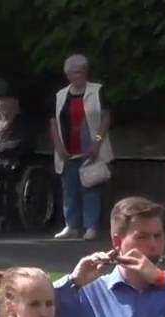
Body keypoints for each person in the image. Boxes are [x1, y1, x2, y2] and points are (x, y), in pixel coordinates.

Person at [49, 54, 114, 242]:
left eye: (80, 72)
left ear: (86, 72)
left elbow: (105, 117)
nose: (77, 76)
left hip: (91, 147)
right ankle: (71, 225)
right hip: (68, 148)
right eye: (73, 73)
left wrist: (97, 142)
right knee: (69, 188)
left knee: (91, 186)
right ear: (67, 75)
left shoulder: (97, 90)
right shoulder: (60, 95)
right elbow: (53, 123)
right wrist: (59, 146)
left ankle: (91, 226)